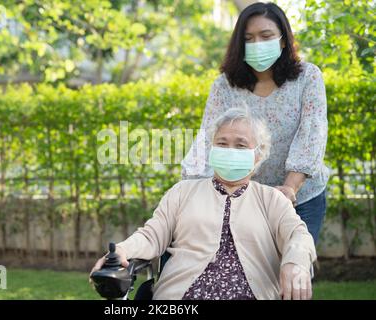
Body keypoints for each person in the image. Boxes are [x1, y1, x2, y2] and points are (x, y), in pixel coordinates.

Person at [91, 108, 316, 300]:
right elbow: (152, 236)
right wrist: (121, 250)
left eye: (240, 145)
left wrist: (295, 261)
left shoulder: (272, 199)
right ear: (211, 149)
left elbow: (298, 235)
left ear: (259, 155)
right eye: (222, 143)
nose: (230, 150)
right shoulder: (182, 192)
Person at [181, 2, 329, 243]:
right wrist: (189, 187)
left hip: (301, 197)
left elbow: (312, 134)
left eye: (266, 36)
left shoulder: (308, 77)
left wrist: (290, 188)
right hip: (246, 200)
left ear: (282, 40)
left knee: (294, 265)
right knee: (252, 273)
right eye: (249, 38)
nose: (257, 44)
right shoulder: (225, 85)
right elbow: (208, 137)